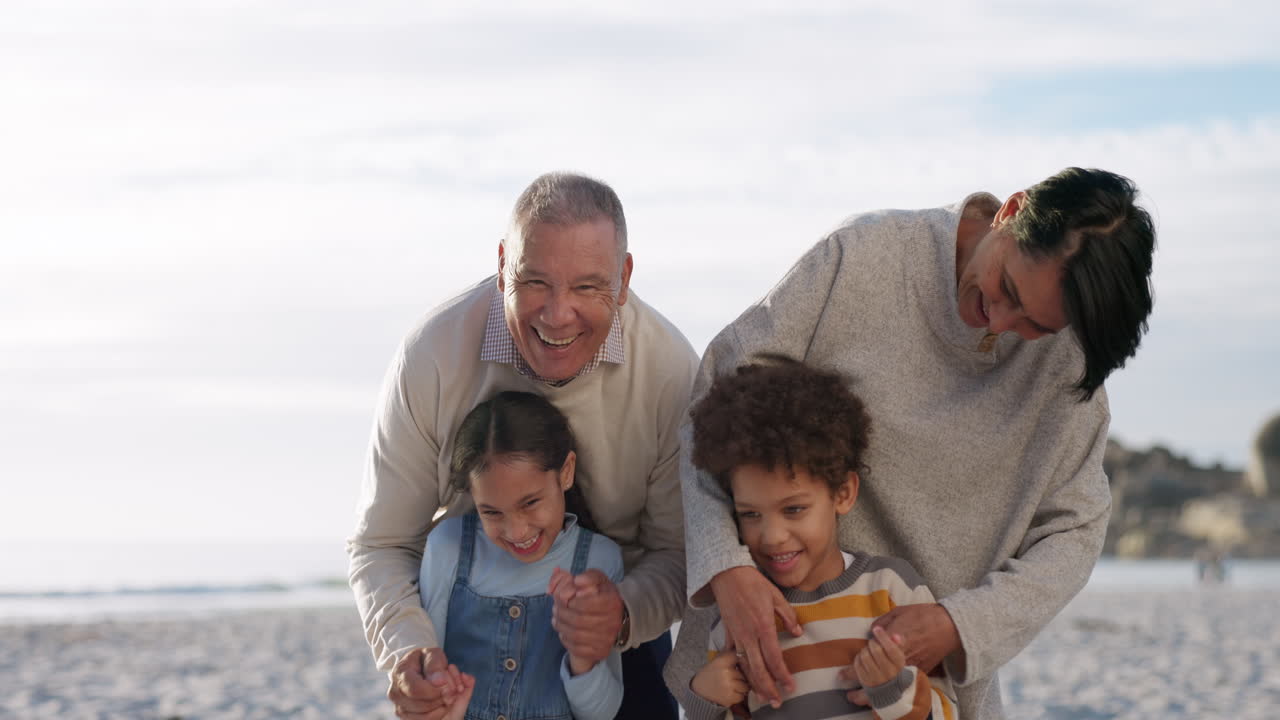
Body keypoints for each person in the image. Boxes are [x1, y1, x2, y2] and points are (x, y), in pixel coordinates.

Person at [680, 167, 1157, 719]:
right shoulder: (864, 257)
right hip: (766, 656)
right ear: (1012, 210)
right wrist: (727, 566)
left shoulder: (1069, 363)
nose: (1000, 322)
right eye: (1008, 288)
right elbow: (716, 398)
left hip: (924, 693)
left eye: (1036, 325)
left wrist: (960, 625)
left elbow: (1074, 531)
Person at [349, 172, 699, 719]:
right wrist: (411, 653)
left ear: (624, 277)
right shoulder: (432, 356)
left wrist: (621, 615)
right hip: (466, 637)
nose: (557, 315)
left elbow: (678, 554)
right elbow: (383, 543)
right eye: (535, 281)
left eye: (587, 286)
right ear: (501, 265)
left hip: (620, 624)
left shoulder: (671, 373)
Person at [664, 359, 959, 720]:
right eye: (750, 514)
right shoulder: (737, 621)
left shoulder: (891, 589)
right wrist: (704, 702)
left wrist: (891, 690)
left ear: (844, 493)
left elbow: (948, 713)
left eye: (794, 510)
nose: (771, 537)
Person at [419, 391, 623, 720]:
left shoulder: (598, 561)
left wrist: (582, 657)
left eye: (530, 503)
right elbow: (429, 679)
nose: (516, 532)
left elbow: (601, 713)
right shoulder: (448, 546)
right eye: (492, 512)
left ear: (566, 471)